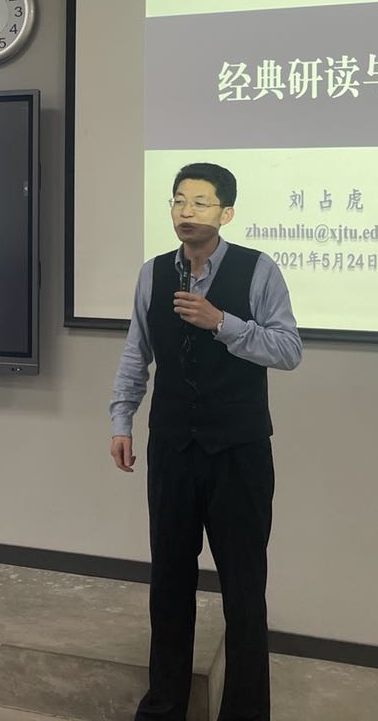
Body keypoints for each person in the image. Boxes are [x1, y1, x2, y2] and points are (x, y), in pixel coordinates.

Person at [109, 163, 301, 721]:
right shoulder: (153, 273)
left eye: (200, 202)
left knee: (243, 588)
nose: (186, 212)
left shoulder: (258, 270)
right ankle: (164, 706)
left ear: (226, 213)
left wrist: (222, 322)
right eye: (178, 201)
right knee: (169, 581)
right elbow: (136, 352)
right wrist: (121, 420)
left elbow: (288, 349)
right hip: (172, 447)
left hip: (239, 450)